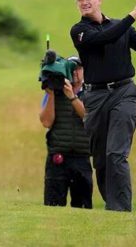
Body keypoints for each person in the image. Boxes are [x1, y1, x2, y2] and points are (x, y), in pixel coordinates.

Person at [70, 0, 136, 212]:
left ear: (99, 0)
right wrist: (135, 12)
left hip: (124, 93)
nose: (84, 2)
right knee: (101, 159)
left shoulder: (122, 26)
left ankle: (119, 209)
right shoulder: (79, 31)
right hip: (95, 97)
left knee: (116, 153)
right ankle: (112, 203)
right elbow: (104, 38)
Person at [38, 57, 92, 208]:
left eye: (79, 68)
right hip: (58, 157)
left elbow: (88, 118)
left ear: (85, 71)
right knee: (52, 206)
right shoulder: (54, 92)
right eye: (71, 68)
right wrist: (51, 94)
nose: (75, 72)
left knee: (83, 208)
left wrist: (72, 97)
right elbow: (46, 122)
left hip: (82, 157)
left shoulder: (91, 93)